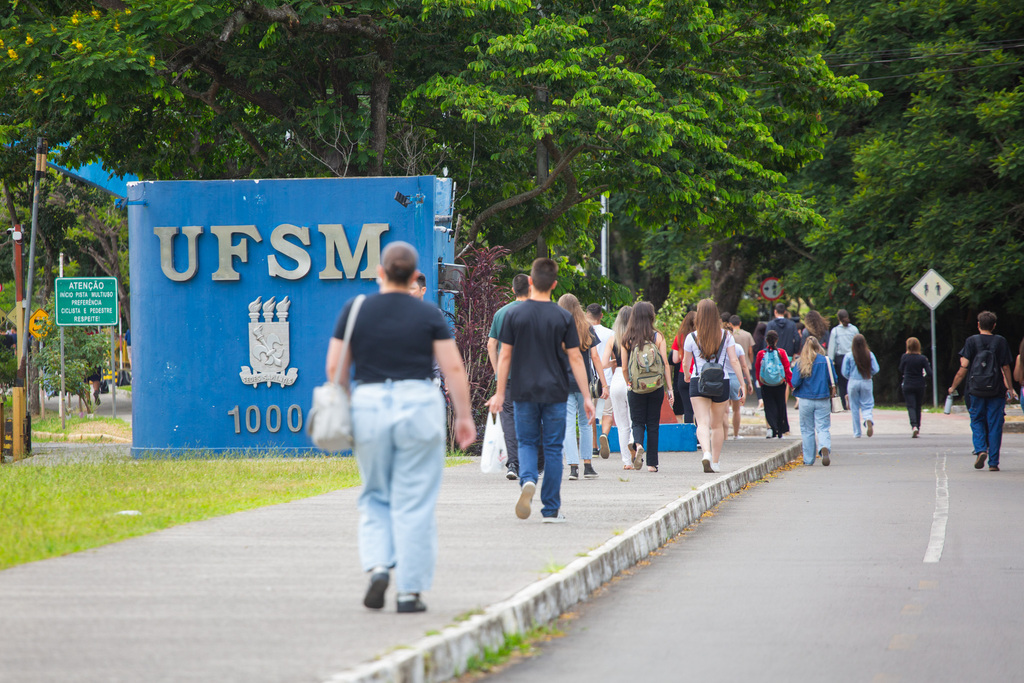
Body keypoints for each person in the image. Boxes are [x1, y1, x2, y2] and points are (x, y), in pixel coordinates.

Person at [325, 241, 475, 614]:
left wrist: (345, 400)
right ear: (412, 278)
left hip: (370, 404)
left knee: (375, 493)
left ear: (380, 273)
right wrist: (464, 417)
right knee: (416, 502)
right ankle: (409, 593)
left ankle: (378, 566)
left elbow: (334, 368)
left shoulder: (355, 309)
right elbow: (453, 368)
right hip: (418, 404)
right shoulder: (429, 316)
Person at [488, 258, 594, 522]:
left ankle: (527, 481)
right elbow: (576, 358)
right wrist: (588, 397)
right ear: (554, 285)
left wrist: (500, 393)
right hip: (555, 391)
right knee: (553, 447)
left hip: (523, 390)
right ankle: (550, 509)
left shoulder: (514, 315)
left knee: (526, 441)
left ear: (531, 282)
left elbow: (504, 356)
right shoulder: (563, 317)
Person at [681, 299, 745, 473]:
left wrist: (687, 375)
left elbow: (686, 362)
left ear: (699, 315)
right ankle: (715, 463)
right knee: (717, 425)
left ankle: (706, 453)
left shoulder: (691, 337)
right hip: (721, 381)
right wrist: (743, 383)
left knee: (702, 422)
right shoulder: (726, 336)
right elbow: (734, 361)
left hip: (698, 381)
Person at [947, 311, 1017, 471]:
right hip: (996, 390)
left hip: (976, 389)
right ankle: (993, 463)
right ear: (994, 325)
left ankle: (980, 450)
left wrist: (953, 386)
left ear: (978, 325)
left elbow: (963, 367)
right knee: (995, 424)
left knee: (977, 420)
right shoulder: (1000, 341)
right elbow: (1005, 366)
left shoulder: (971, 341)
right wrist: (1010, 388)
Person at [620, 301, 673, 472]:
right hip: (655, 386)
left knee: (637, 421)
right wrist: (669, 388)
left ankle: (638, 444)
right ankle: (652, 464)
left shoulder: (627, 338)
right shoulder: (658, 337)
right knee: (653, 423)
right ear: (651, 316)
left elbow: (623, 367)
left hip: (636, 387)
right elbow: (665, 364)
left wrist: (629, 382)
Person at [487, 274, 531, 480]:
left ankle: (513, 463)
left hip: (508, 376)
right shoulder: (537, 312)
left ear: (513, 290)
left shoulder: (501, 313)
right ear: (530, 289)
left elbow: (491, 344)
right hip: (533, 375)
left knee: (509, 418)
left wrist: (497, 371)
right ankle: (532, 462)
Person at [559, 294, 604, 480]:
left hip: (562, 382)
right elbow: (594, 356)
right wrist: (604, 383)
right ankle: (588, 466)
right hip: (583, 382)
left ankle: (573, 468)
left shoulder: (557, 328)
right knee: (586, 424)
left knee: (568, 425)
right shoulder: (588, 328)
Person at [790, 336, 836, 466]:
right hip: (823, 399)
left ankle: (809, 459)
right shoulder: (826, 361)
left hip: (805, 400)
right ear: (818, 346)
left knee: (807, 430)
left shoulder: (800, 362)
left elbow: (794, 382)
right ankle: (824, 447)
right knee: (823, 427)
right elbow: (834, 379)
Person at [601, 306, 634, 469]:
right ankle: (633, 442)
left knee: (621, 424)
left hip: (617, 379)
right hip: (632, 378)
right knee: (634, 419)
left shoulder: (613, 338)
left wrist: (615, 362)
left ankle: (626, 462)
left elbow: (603, 363)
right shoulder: (636, 337)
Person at [586, 303, 615, 458]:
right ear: (601, 316)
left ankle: (594, 447)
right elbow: (616, 359)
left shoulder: (583, 332)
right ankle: (604, 434)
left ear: (587, 314)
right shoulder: (611, 333)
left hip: (589, 379)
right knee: (607, 412)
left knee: (590, 413)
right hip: (607, 379)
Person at [755, 329, 792, 439]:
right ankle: (780, 431)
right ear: (777, 340)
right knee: (780, 406)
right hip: (780, 384)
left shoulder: (761, 353)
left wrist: (760, 382)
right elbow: (787, 369)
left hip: (766, 384)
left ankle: (771, 429)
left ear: (766, 340)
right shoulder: (781, 353)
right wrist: (790, 383)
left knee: (769, 407)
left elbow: (757, 369)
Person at [842, 334, 880, 438]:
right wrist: (870, 374)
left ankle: (857, 432)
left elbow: (844, 372)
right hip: (866, 380)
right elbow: (876, 369)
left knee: (854, 407)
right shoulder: (869, 354)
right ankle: (868, 418)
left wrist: (850, 376)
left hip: (853, 381)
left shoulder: (849, 355)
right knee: (867, 404)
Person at [898, 337, 932, 437]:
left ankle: (914, 426)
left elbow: (900, 369)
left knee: (911, 406)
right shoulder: (922, 358)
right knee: (918, 406)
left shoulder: (905, 357)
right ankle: (918, 427)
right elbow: (929, 372)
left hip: (908, 384)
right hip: (920, 384)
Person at [827, 309, 859, 410]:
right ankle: (853, 401)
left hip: (841, 358)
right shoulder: (854, 329)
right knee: (853, 379)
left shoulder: (835, 331)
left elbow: (832, 347)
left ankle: (844, 403)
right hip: (853, 357)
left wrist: (830, 360)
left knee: (841, 381)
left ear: (838, 319)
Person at [670, 311, 697, 425]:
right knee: (698, 410)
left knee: (687, 410)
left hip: (683, 375)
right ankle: (699, 437)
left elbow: (675, 359)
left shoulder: (680, 337)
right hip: (697, 375)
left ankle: (689, 438)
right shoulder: (700, 336)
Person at [752, 321, 767, 411]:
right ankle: (765, 399)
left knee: (757, 381)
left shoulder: (755, 339)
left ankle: (760, 400)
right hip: (764, 362)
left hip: (756, 362)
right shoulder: (765, 340)